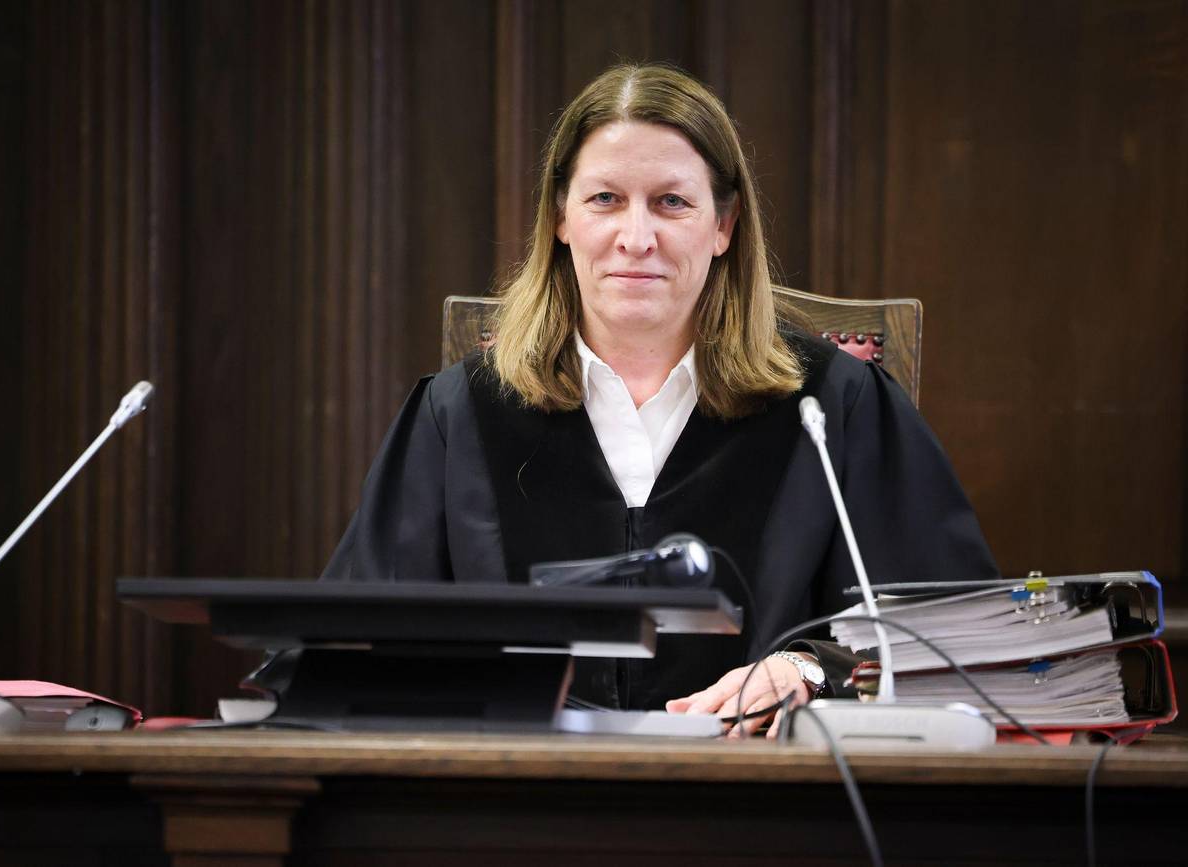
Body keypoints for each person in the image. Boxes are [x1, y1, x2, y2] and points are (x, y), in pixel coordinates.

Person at [321, 62, 999, 735]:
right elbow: (346, 652)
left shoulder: (832, 407)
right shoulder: (459, 414)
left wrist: (809, 669)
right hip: (519, 787)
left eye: (672, 202)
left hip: (762, 789)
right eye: (605, 199)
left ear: (724, 225)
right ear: (560, 218)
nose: (636, 238)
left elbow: (957, 645)